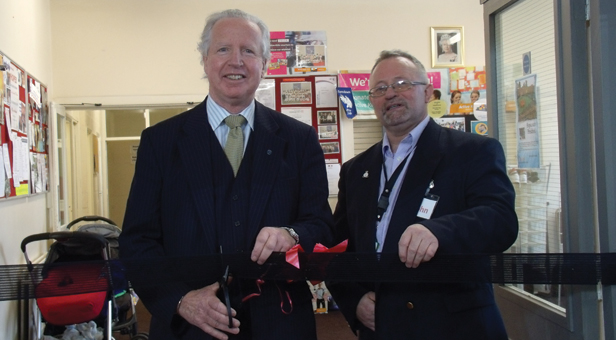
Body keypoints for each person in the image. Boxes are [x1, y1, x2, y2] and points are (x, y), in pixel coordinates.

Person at [119, 9, 333, 340]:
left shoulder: (299, 140)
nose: (236, 61)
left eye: (248, 50)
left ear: (264, 63)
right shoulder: (160, 142)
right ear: (205, 60)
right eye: (223, 49)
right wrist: (179, 301)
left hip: (281, 323)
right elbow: (137, 240)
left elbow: (322, 227)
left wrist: (292, 234)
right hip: (188, 328)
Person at [327, 50, 518, 339]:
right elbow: (337, 248)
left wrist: (439, 232)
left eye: (402, 83)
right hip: (383, 327)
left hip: (453, 327)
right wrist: (354, 301)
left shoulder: (473, 151)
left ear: (428, 92)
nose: (390, 94)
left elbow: (501, 221)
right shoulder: (356, 170)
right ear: (372, 100)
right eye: (380, 88)